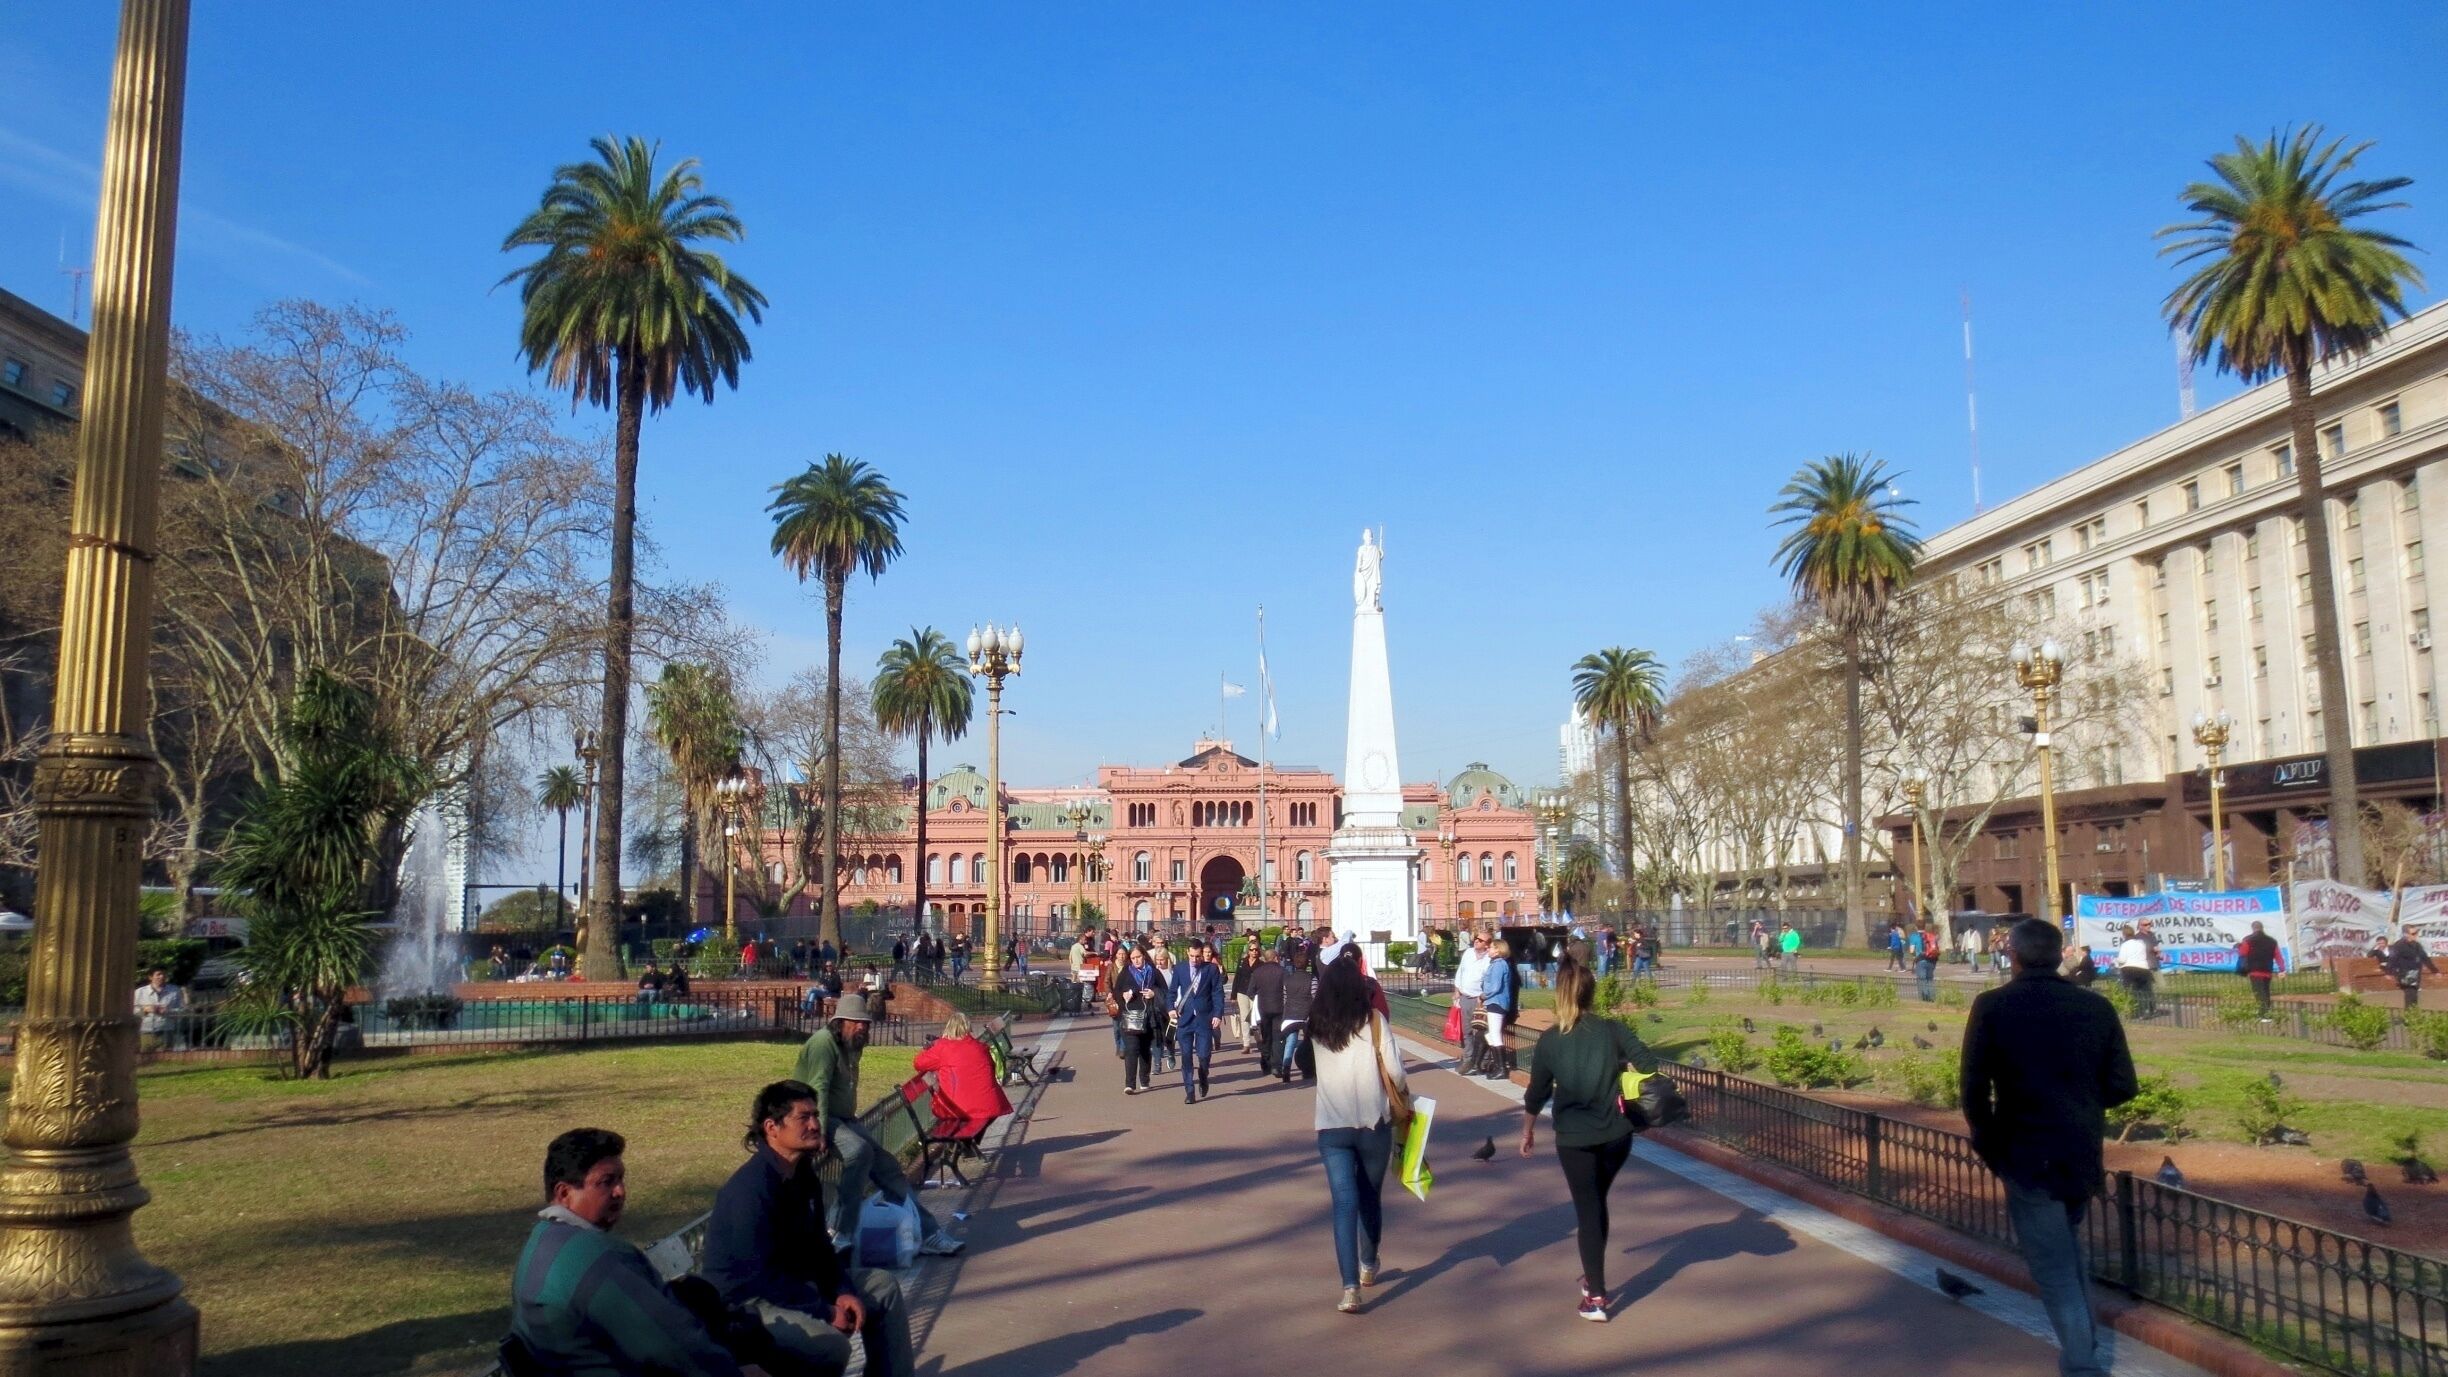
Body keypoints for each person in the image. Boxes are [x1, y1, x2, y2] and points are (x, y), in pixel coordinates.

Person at [1962, 918, 2138, 1377]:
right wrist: (2082, 1101)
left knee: (2053, 1265)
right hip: (2078, 1148)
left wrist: (1989, 1143)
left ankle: (2082, 1364)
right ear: (2061, 956)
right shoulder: (2095, 1008)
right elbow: (2122, 1084)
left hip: (2023, 1152)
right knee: (2067, 1251)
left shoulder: (1993, 1006)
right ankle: (2086, 1346)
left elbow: (1974, 1090)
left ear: (2012, 957)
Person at [510, 1127, 766, 1377]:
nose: (620, 1191)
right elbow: (670, 1344)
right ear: (564, 1193)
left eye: (620, 1179)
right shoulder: (597, 1257)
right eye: (606, 1182)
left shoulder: (540, 1240)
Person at [701, 1082, 915, 1377]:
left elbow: (820, 1249)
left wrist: (842, 1291)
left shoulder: (802, 1174)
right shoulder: (750, 1190)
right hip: (746, 1304)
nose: (816, 1124)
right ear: (772, 1127)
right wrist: (824, 1310)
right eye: (804, 1117)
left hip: (794, 1286)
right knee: (830, 1346)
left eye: (816, 1115)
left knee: (883, 1287)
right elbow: (759, 1279)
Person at [1521, 960, 1659, 1322]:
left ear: (1560, 995)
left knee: (1589, 1209)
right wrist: (1626, 1071)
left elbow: (1536, 1092)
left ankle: (1596, 1296)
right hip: (1617, 1135)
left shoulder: (1551, 1040)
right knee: (1596, 1204)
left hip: (1575, 1138)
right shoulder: (1613, 1031)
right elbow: (1647, 1063)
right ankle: (1593, 1275)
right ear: (1591, 993)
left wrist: (1528, 1129)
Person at [789, 995, 962, 1256]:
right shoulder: (823, 1044)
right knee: (858, 1151)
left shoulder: (851, 1044)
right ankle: (840, 1230)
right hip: (815, 1118)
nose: (863, 1028)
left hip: (844, 1118)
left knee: (888, 1167)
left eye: (866, 1024)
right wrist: (819, 1130)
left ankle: (928, 1233)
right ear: (841, 1021)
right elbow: (817, 1088)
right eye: (857, 1023)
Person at [1308, 954, 1407, 1315]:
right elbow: (1395, 1072)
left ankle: (1349, 1288)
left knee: (1343, 1205)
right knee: (1370, 1197)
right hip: (1371, 1123)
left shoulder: (1316, 1024)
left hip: (1332, 1125)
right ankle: (1369, 1261)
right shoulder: (1374, 1021)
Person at [912, 1010, 1014, 1132]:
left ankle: (963, 1143)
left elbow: (919, 1063)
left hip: (958, 1109)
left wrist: (929, 1048)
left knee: (945, 1111)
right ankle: (966, 1143)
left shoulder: (943, 1048)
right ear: (968, 1027)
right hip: (990, 1105)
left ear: (949, 1028)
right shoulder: (979, 1047)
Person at [1170, 939, 1226, 1101]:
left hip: (1204, 1018)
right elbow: (1172, 992)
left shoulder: (1211, 969)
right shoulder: (1179, 969)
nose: (1195, 960)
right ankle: (1189, 1091)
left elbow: (1217, 992)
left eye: (1198, 956)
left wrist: (1217, 1014)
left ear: (1202, 954)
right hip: (1185, 1019)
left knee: (1203, 1054)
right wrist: (1171, 1008)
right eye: (1192, 956)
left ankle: (1203, 1074)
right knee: (1186, 1055)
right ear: (1187, 953)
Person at [1108, 945, 1166, 1094]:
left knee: (1145, 1050)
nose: (1136, 960)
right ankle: (1130, 1084)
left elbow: (1165, 990)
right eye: (1133, 958)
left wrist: (1154, 993)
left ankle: (1144, 1080)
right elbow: (1116, 991)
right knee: (1132, 1049)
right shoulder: (1126, 972)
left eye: (1138, 957)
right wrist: (1123, 996)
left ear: (1144, 956)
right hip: (1130, 1016)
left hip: (1149, 1016)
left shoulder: (1153, 971)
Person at [1246, 943, 1288, 1077]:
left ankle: (1266, 1061)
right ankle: (1276, 1065)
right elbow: (1288, 989)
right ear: (1276, 958)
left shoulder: (1258, 972)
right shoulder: (1282, 971)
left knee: (1266, 1036)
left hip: (1262, 1008)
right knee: (1278, 1037)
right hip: (1279, 1007)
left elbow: (1250, 991)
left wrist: (1258, 998)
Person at [1278, 945, 1318, 1082]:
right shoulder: (1312, 979)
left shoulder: (1287, 979)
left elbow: (1284, 998)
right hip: (1306, 1014)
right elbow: (1315, 997)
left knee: (1291, 1040)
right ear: (1307, 964)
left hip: (1290, 1013)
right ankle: (1309, 1067)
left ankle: (1286, 1068)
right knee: (1309, 1041)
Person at [1481, 937, 1517, 1080]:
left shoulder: (1498, 965)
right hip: (1495, 1001)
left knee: (1495, 1035)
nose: (1488, 949)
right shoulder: (1497, 964)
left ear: (1498, 949)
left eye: (1490, 947)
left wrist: (1484, 995)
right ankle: (1498, 1065)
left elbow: (1495, 986)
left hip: (1496, 1001)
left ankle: (1501, 1068)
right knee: (1490, 1034)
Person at [2383, 930, 2441, 1010]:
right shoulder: (2399, 945)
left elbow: (2425, 958)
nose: (2416, 935)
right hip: (2404, 973)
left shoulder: (2417, 945)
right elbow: (2392, 958)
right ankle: (2410, 1016)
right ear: (2406, 934)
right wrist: (2388, 972)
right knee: (2410, 993)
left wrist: (2435, 971)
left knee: (2414, 994)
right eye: (2413, 933)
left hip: (2415, 973)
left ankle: (2413, 1014)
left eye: (2416, 933)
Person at [1452, 931, 1490, 1052]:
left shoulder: (1489, 958)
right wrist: (1457, 990)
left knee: (1481, 1030)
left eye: (1480, 940)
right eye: (1476, 938)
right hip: (1465, 997)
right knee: (1466, 1030)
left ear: (1487, 945)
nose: (1476, 941)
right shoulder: (1468, 953)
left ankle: (1483, 1060)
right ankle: (1468, 1058)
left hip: (1479, 1000)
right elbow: (1460, 972)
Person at [2235, 920, 2281, 1020]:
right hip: (2267, 970)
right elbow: (2277, 955)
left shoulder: (2248, 940)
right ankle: (2267, 1013)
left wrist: (2239, 947)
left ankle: (2263, 1014)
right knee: (2266, 992)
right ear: (2262, 927)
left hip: (2254, 971)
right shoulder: (2272, 941)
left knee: (2258, 993)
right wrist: (2282, 969)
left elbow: (2243, 953)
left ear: (2253, 928)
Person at [134, 967, 187, 1053]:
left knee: (165, 1056)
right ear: (151, 977)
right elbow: (132, 1011)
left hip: (166, 1030)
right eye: (158, 974)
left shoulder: (175, 991)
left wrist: (168, 1011)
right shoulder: (140, 992)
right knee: (146, 1057)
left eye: (164, 974)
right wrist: (145, 1010)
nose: (161, 977)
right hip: (146, 1031)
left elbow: (182, 1010)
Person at [1149, 946, 1180, 1077]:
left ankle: (1171, 1053)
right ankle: (1157, 1063)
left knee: (1169, 1035)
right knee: (1156, 1036)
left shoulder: (1174, 972)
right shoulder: (1153, 972)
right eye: (1157, 960)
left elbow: (1179, 989)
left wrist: (1176, 1005)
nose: (1160, 962)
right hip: (1156, 1007)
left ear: (1167, 959)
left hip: (1171, 1008)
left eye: (1162, 959)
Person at [2115, 925, 2157, 1017]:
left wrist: (2116, 960)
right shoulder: (2141, 944)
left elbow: (2122, 959)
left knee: (2131, 991)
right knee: (2145, 991)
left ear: (2124, 934)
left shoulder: (2125, 945)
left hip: (2129, 969)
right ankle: (2147, 1010)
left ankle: (2135, 1011)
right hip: (2143, 968)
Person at [1913, 921, 1942, 1002]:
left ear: (1916, 927)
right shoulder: (1931, 936)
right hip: (1932, 960)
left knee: (1922, 979)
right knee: (1929, 979)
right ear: (1925, 927)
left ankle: (1925, 998)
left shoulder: (1915, 936)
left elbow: (1911, 950)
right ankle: (1932, 997)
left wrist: (1914, 957)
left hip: (1921, 960)